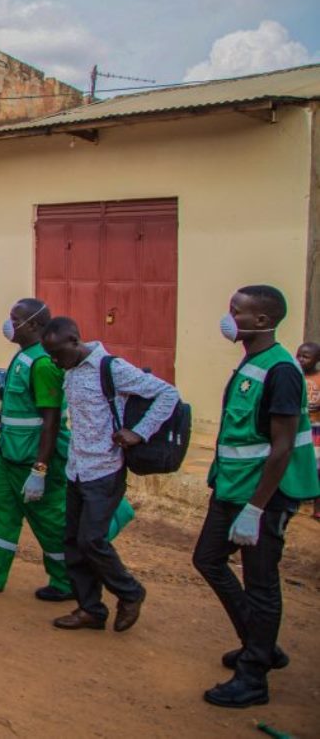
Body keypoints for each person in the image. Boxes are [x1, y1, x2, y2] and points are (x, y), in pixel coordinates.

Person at [193, 287, 320, 708]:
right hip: (233, 486)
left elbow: (282, 445)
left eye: (237, 311)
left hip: (263, 496)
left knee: (261, 581)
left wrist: (255, 509)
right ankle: (260, 645)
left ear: (262, 320)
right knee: (208, 558)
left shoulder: (282, 369)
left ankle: (253, 677)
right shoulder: (254, 361)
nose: (228, 317)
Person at [42, 316, 179, 633]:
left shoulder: (111, 368)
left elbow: (167, 394)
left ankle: (131, 592)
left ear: (75, 342)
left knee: (92, 540)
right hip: (77, 469)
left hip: (104, 470)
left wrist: (140, 432)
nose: (54, 361)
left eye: (57, 354)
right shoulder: (71, 370)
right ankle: (90, 608)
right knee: (73, 543)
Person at [0, 299, 74, 600]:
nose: (9, 325)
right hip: (10, 455)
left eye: (15, 319)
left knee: (49, 522)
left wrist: (41, 470)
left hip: (33, 459)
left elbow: (51, 420)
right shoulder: (24, 357)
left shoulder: (43, 363)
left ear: (33, 325)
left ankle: (67, 581)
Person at [298, 342, 320, 521]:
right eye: (299, 355)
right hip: (296, 427)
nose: (301, 360)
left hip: (315, 429)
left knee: (318, 468)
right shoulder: (294, 376)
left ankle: (317, 507)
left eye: (306, 357)